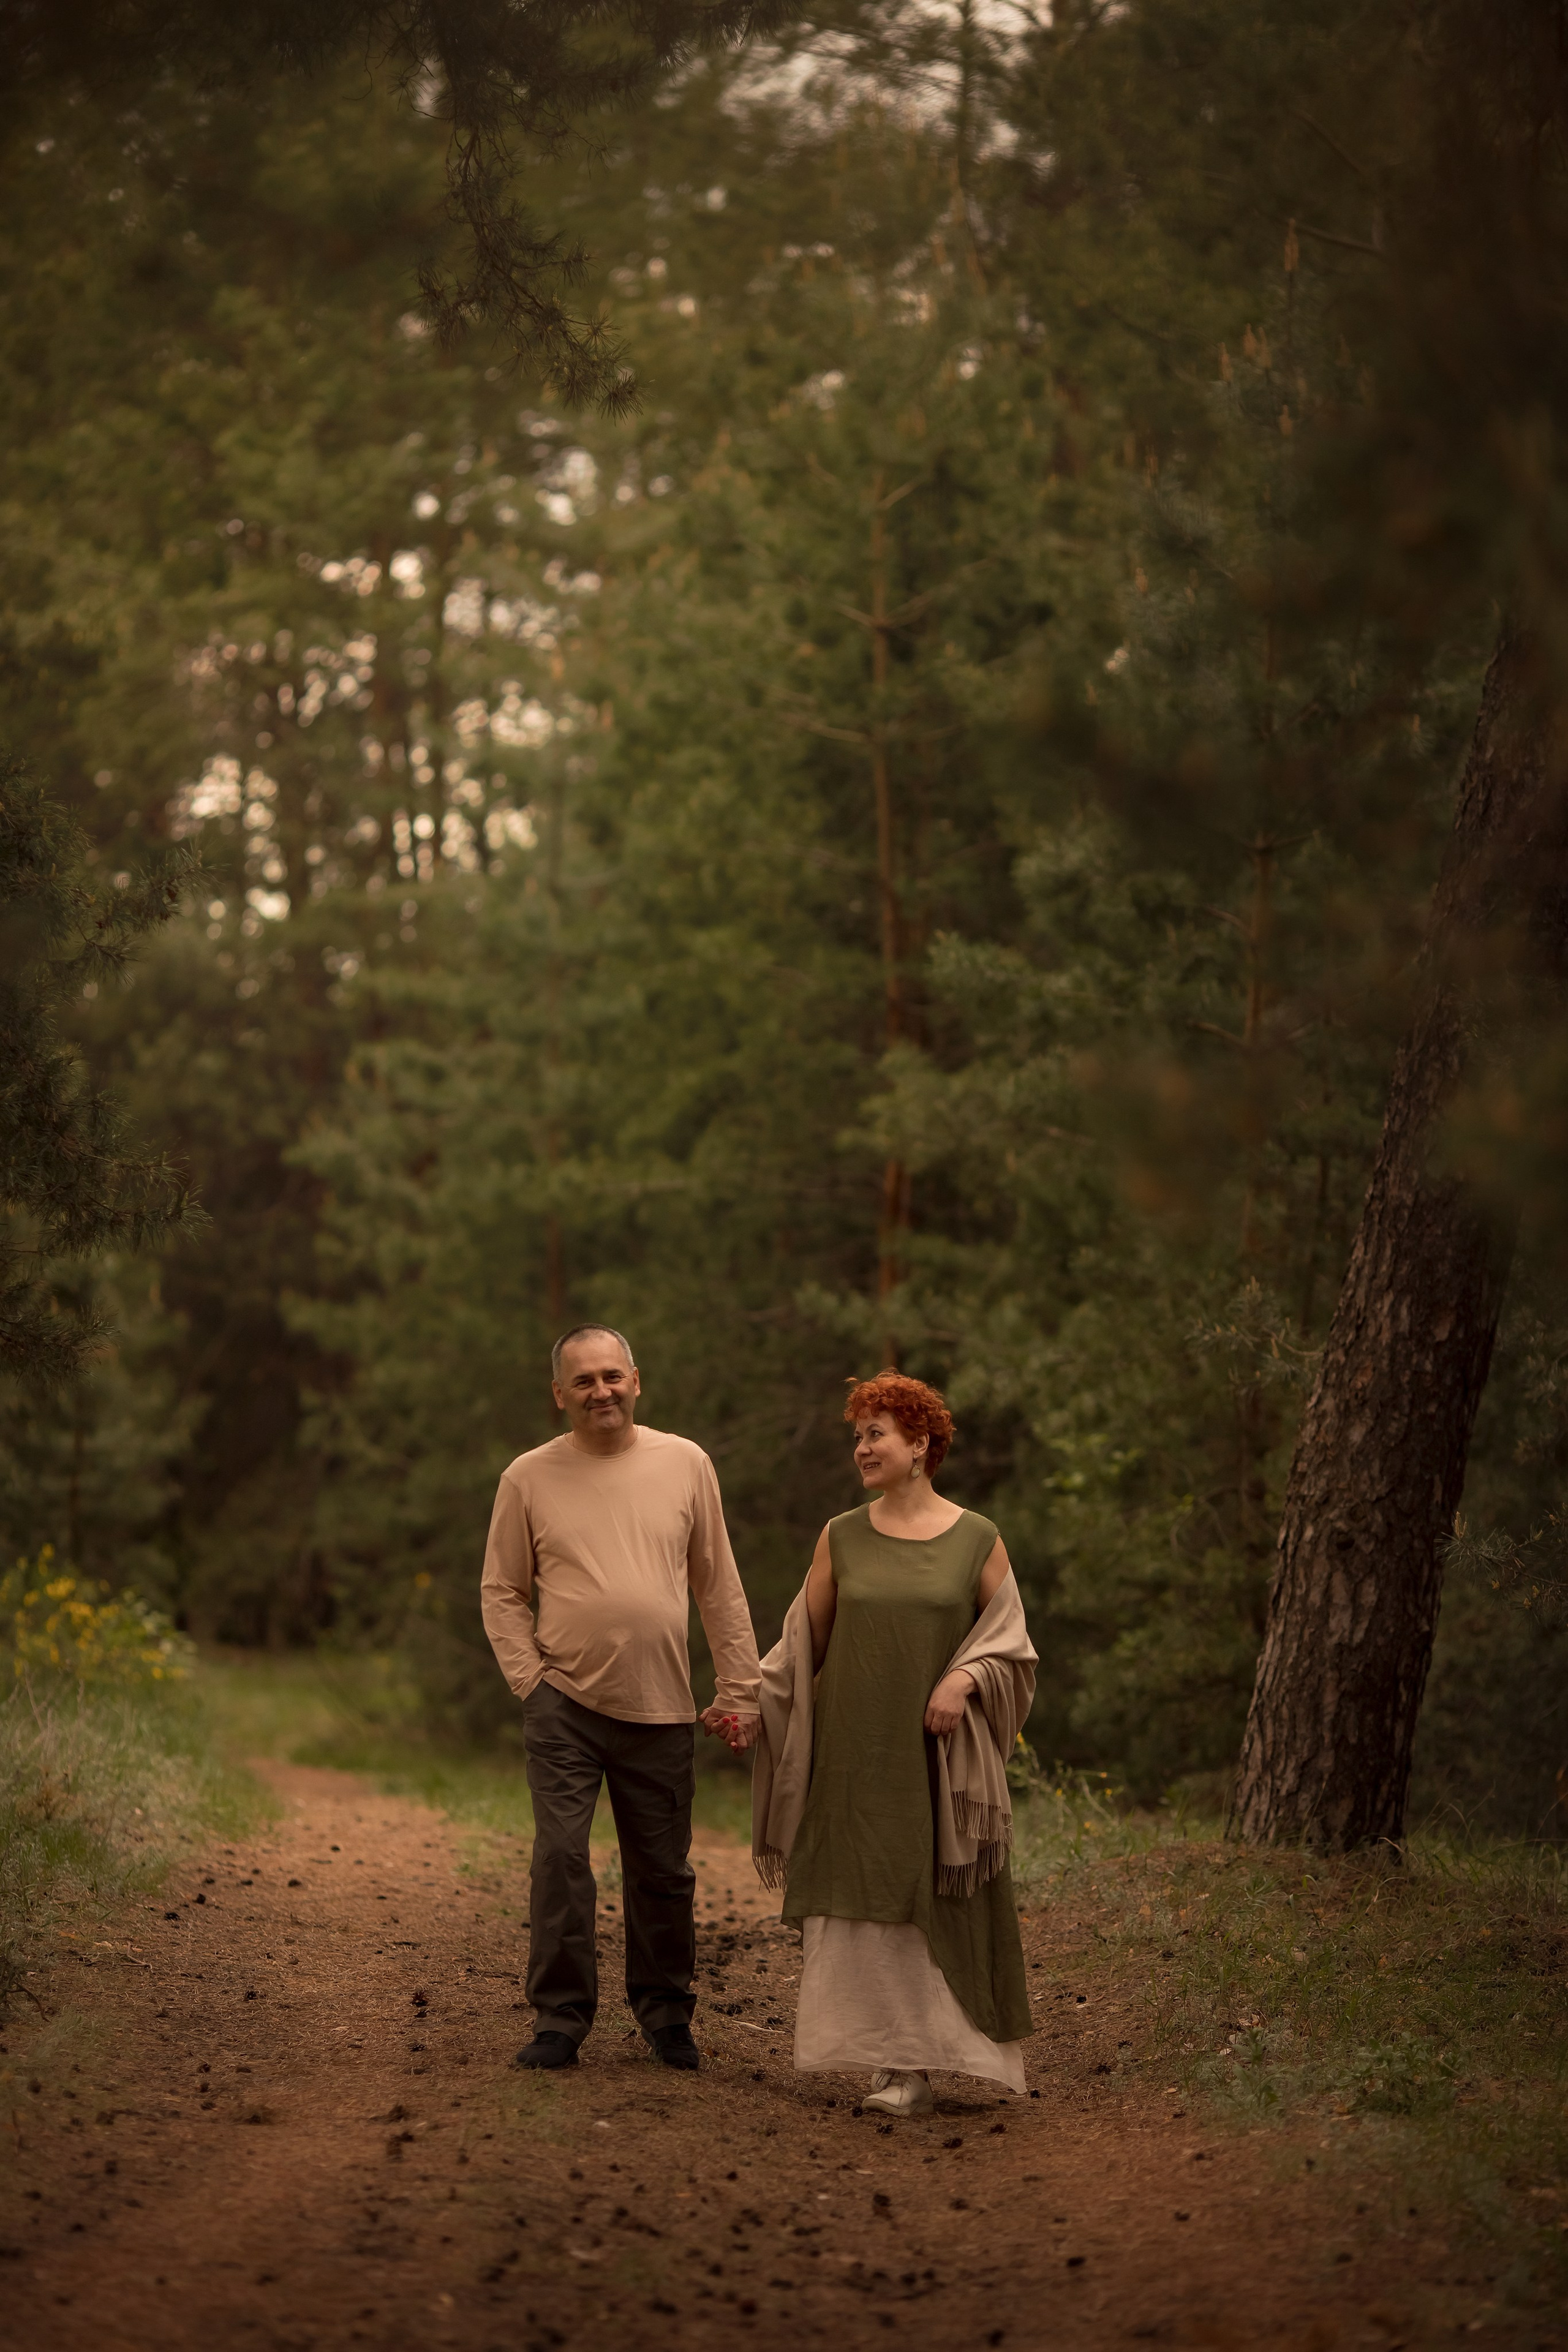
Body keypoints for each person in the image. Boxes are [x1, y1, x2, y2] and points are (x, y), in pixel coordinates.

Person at [751, 1371, 1036, 2118]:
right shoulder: (840, 1535)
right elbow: (797, 1646)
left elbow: (1012, 1646)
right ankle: (895, 2066)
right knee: (865, 1900)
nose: (861, 1448)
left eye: (876, 1433)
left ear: (921, 1445)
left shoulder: (977, 1538)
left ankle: (930, 2062)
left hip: (934, 1766)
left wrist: (965, 1678)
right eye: (857, 1435)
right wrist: (747, 1701)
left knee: (927, 1902)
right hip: (853, 1758)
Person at [481, 1325, 761, 2073]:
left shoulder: (685, 1463)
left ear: (636, 1380)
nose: (600, 1391)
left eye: (611, 1376)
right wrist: (529, 1680)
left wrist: (740, 1689)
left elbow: (718, 1585)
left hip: (663, 1706)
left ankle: (667, 2017)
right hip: (564, 1703)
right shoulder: (528, 1477)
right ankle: (560, 2020)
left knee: (663, 1872)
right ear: (560, 1395)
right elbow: (502, 1589)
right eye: (584, 1381)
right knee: (563, 1859)